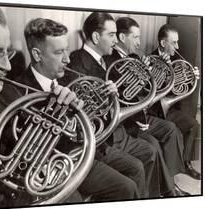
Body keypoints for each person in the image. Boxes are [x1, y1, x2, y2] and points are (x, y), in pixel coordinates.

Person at [0, 17, 139, 203]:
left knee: (128, 187)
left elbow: (89, 127)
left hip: (78, 158)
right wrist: (51, 110)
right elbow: (12, 153)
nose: (67, 59)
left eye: (66, 50)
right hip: (45, 173)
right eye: (59, 52)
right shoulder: (13, 92)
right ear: (37, 55)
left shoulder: (70, 78)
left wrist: (107, 98)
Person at [0, 5, 85, 209]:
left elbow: (48, 153)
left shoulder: (10, 97)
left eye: (8, 53)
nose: (8, 66)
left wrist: (65, 115)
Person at [64, 12, 171, 198]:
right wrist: (107, 97)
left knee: (149, 151)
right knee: (138, 164)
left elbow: (126, 94)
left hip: (116, 130)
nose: (115, 41)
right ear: (96, 37)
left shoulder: (105, 59)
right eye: (111, 35)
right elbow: (83, 113)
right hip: (101, 140)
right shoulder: (76, 63)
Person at [103, 16, 190, 195]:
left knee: (171, 129)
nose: (139, 42)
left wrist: (158, 73)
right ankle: (162, 192)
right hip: (129, 122)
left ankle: (170, 185)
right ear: (122, 38)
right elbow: (122, 97)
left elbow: (150, 90)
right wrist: (141, 80)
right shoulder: (111, 61)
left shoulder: (135, 57)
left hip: (142, 115)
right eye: (135, 37)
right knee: (153, 146)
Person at [150, 24, 201, 180]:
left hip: (169, 109)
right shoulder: (149, 59)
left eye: (177, 42)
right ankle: (169, 175)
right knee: (174, 131)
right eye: (174, 42)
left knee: (193, 125)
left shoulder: (177, 60)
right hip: (155, 112)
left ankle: (186, 164)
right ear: (163, 43)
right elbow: (149, 92)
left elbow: (181, 88)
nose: (177, 46)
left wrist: (193, 77)